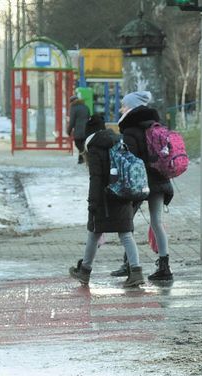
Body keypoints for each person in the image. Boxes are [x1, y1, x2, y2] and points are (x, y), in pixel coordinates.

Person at [68, 115, 144, 287]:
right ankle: (136, 271)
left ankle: (85, 271)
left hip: (104, 199)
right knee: (126, 234)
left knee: (94, 233)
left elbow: (96, 179)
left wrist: (92, 203)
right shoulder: (118, 142)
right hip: (123, 195)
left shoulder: (94, 149)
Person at [108, 91, 176, 283]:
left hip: (138, 183)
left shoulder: (130, 129)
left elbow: (129, 159)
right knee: (157, 222)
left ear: (131, 107)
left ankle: (129, 264)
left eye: (124, 105)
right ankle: (164, 266)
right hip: (159, 180)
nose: (122, 108)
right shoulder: (156, 125)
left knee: (126, 222)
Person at [67, 94, 90, 164]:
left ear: (72, 102)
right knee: (83, 144)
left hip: (79, 130)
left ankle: (85, 156)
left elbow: (72, 121)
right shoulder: (85, 107)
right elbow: (89, 117)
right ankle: (81, 160)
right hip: (87, 129)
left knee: (78, 143)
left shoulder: (73, 108)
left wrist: (69, 131)